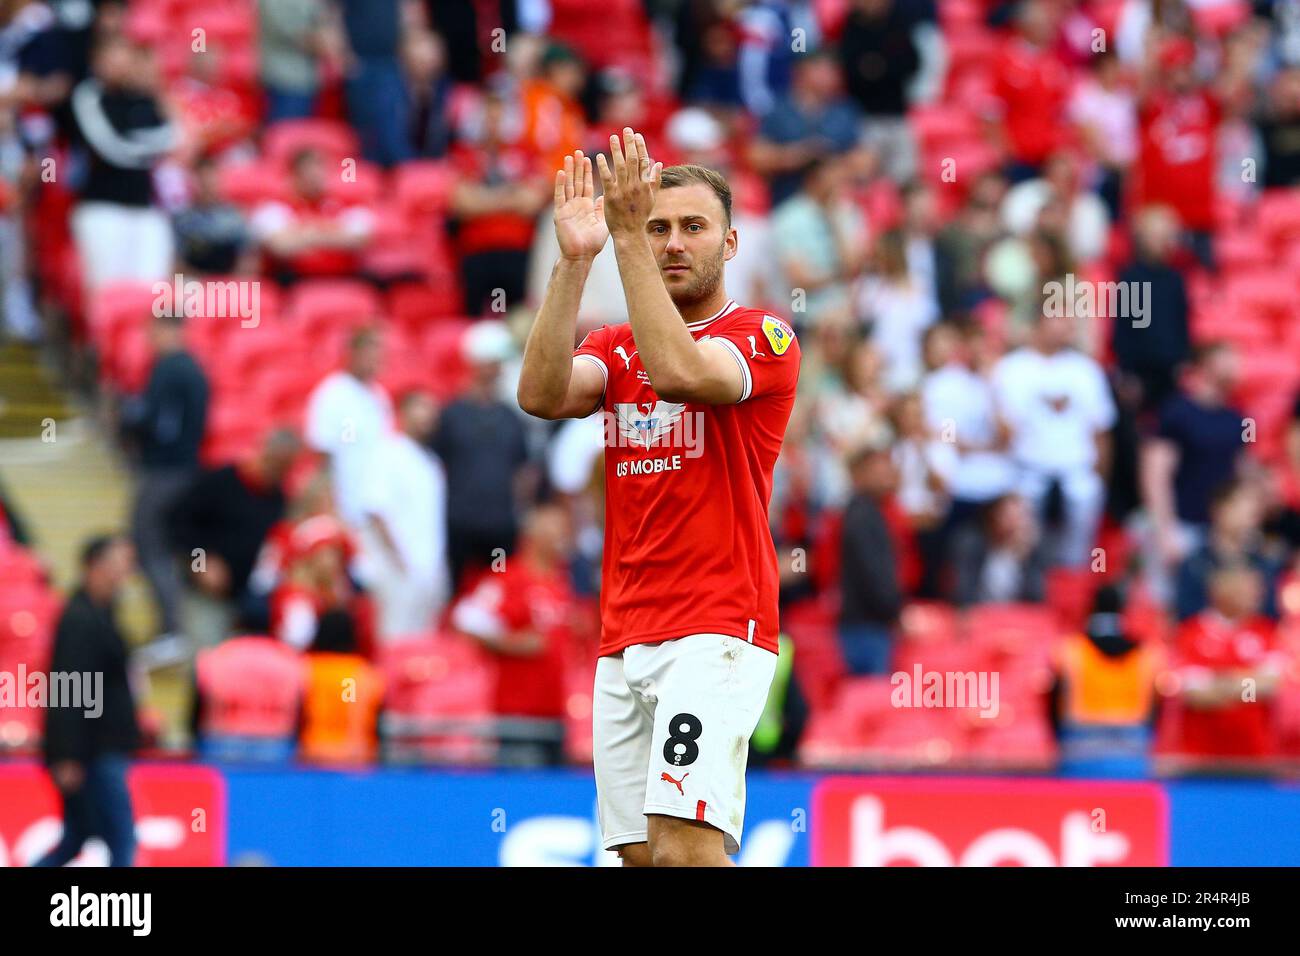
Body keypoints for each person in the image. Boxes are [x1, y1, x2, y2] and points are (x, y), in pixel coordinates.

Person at [517, 135, 801, 866]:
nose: (673, 243)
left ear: (731, 243)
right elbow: (541, 393)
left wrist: (626, 242)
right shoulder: (613, 347)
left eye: (693, 227)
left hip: (714, 628)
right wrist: (577, 261)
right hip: (624, 633)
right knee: (639, 860)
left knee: (685, 851)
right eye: (658, 227)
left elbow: (677, 371)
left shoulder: (763, 337)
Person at [34, 535, 140, 867]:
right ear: (96, 566)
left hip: (98, 748)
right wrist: (67, 754)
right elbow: (69, 687)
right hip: (94, 751)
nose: (127, 572)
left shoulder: (101, 614)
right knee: (121, 839)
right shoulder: (80, 618)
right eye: (121, 562)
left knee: (76, 837)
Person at [451, 502, 577, 766]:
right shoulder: (510, 578)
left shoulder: (561, 581)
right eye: (555, 528)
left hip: (555, 712)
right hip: (518, 715)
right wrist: (513, 644)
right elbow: (465, 619)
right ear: (533, 535)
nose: (563, 536)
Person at [993, 307, 1116, 568]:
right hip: (1027, 469)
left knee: (1083, 518)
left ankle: (1075, 586)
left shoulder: (1085, 369)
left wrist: (1100, 474)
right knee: (1022, 540)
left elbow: (1101, 429)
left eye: (1069, 322)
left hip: (1076, 469)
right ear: (1039, 321)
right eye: (1058, 319)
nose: (1065, 327)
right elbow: (1002, 429)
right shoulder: (1010, 368)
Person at [119, 312, 209, 644]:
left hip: (166, 471)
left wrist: (130, 419)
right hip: (184, 470)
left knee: (147, 543)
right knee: (159, 546)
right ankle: (169, 627)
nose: (150, 338)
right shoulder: (195, 369)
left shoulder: (171, 368)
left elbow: (159, 424)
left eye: (154, 331)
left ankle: (172, 629)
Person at [168, 428, 300, 649]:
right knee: (206, 663)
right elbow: (180, 525)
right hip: (209, 596)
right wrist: (201, 564)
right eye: (276, 462)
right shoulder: (222, 482)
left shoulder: (279, 499)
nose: (278, 471)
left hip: (249, 601)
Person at [67, 33, 178, 291]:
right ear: (97, 61)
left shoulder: (144, 97)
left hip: (146, 207)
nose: (119, 64)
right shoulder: (86, 96)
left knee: (151, 294)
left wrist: (158, 95)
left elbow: (173, 137)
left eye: (124, 56)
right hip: (102, 207)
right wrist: (148, 150)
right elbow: (110, 148)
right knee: (108, 294)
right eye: (113, 56)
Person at [432, 322, 529, 593]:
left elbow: (522, 471)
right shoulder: (450, 415)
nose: (500, 369)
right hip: (460, 524)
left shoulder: (511, 417)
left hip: (501, 524)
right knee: (457, 593)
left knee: (501, 594)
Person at [1163, 564, 1285, 764]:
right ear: (1220, 590)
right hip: (1199, 757)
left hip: (1255, 756)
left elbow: (1270, 686)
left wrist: (1218, 681)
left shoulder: (1266, 632)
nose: (1256, 594)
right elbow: (1195, 695)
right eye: (1246, 587)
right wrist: (1246, 681)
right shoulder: (1190, 633)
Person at [357, 389, 449, 640]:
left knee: (422, 640)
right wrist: (398, 560)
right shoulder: (387, 452)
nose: (426, 416)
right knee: (393, 637)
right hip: (396, 568)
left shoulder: (430, 461)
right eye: (419, 407)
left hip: (429, 568)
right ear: (402, 412)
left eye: (431, 410)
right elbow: (376, 511)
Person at [304, 325, 393, 530]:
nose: (375, 359)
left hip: (374, 508)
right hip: (344, 507)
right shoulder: (333, 394)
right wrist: (331, 509)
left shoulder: (379, 397)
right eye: (369, 352)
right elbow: (323, 457)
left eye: (379, 353)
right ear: (352, 353)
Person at [250, 145, 376, 284]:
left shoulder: (347, 202)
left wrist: (306, 234)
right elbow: (281, 246)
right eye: (308, 171)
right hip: (294, 281)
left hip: (345, 277)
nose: (316, 176)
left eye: (320, 169)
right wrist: (335, 233)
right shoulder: (274, 206)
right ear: (294, 175)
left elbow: (359, 240)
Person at [838, 443, 905, 673]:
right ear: (859, 473)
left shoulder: (870, 512)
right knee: (870, 697)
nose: (886, 474)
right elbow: (873, 574)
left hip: (868, 625)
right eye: (877, 468)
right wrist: (896, 613)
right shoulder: (862, 516)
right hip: (866, 628)